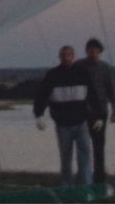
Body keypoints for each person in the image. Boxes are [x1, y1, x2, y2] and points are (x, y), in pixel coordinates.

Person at [33, 43, 96, 189]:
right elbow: (41, 95)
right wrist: (39, 114)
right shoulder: (53, 74)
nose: (66, 57)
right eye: (63, 55)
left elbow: (92, 95)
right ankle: (67, 186)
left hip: (81, 122)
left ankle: (86, 186)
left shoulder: (82, 72)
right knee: (66, 157)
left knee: (85, 155)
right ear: (59, 57)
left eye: (68, 55)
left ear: (73, 56)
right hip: (63, 124)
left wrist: (97, 115)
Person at [85, 37, 115, 191]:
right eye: (91, 50)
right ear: (87, 51)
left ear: (99, 52)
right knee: (84, 146)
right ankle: (85, 178)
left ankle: (100, 179)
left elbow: (111, 90)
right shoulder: (79, 66)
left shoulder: (105, 67)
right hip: (83, 112)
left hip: (101, 113)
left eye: (96, 51)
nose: (93, 53)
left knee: (99, 146)